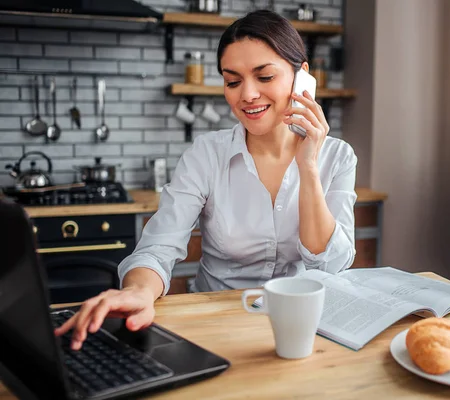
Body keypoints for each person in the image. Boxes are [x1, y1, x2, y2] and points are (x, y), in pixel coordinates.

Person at [55, 10, 358, 350]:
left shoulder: (337, 157)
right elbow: (157, 248)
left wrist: (308, 168)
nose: (248, 94)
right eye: (233, 81)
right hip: (215, 324)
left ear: (302, 77)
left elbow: (330, 263)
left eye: (265, 77)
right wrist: (138, 292)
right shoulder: (205, 155)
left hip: (301, 326)